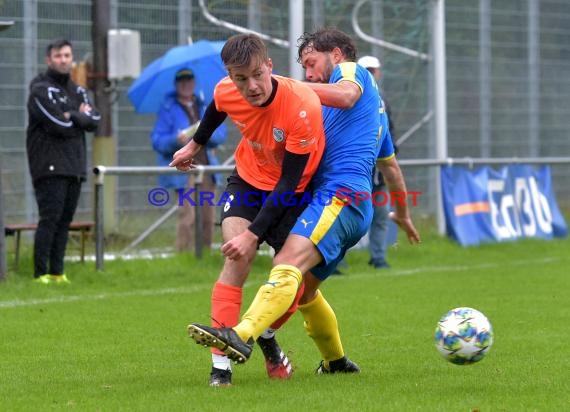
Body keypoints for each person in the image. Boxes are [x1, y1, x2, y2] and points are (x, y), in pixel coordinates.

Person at [186, 28, 420, 375]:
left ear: (337, 55)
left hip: (339, 198)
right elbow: (392, 170)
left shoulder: (351, 74)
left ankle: (238, 335)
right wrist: (403, 214)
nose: (307, 74)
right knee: (304, 292)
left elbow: (344, 95)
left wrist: (283, 85)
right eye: (303, 69)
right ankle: (335, 361)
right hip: (343, 203)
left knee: (287, 264)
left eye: (311, 63)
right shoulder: (373, 116)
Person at [170, 33, 326, 386]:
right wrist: (195, 145)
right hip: (247, 180)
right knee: (236, 258)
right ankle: (220, 369)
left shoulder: (302, 106)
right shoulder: (228, 88)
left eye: (257, 74)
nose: (251, 86)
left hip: (292, 191)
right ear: (230, 74)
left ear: (270, 65)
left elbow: (288, 183)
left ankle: (266, 335)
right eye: (240, 78)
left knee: (291, 282)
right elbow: (216, 109)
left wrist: (254, 234)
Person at [26, 39, 100, 284]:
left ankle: (57, 272)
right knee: (50, 218)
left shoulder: (78, 90)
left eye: (67, 55)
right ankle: (40, 273)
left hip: (74, 165)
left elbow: (95, 119)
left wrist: (73, 115)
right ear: (49, 59)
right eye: (58, 56)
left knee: (65, 220)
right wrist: (78, 117)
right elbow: (58, 124)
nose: (63, 60)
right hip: (48, 165)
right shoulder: (39, 88)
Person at [151, 68, 227, 252]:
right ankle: (183, 253)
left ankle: (204, 254)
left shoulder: (204, 105)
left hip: (207, 169)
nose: (186, 84)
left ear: (194, 82)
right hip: (185, 172)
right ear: (176, 85)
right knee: (188, 215)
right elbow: (157, 141)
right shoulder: (168, 109)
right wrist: (175, 141)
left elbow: (221, 135)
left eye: (189, 80)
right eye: (181, 81)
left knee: (208, 216)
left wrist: (201, 136)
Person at [357, 55, 397, 269]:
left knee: (380, 215)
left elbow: (390, 132)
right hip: (356, 172)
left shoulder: (382, 99)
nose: (372, 74)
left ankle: (378, 257)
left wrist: (390, 156)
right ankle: (333, 261)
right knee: (347, 218)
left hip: (378, 172)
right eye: (367, 70)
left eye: (374, 70)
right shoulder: (351, 96)